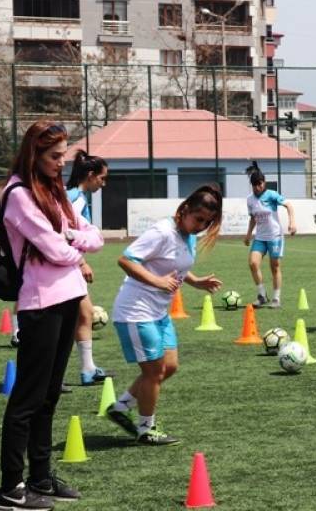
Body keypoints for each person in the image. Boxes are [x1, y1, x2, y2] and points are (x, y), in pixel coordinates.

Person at [0, 120, 104, 511]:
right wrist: (73, 247)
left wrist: (72, 239)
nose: (62, 163)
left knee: (50, 395)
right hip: (39, 302)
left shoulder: (54, 189)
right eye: (54, 156)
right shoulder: (18, 194)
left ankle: (40, 476)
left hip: (69, 296)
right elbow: (55, 251)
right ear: (34, 154)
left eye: (64, 155)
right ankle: (10, 488)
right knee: (27, 398)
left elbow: (92, 235)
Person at [105, 185, 224, 446]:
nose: (201, 226)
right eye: (199, 219)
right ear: (183, 210)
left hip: (159, 313)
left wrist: (196, 281)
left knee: (169, 367)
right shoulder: (162, 231)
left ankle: (120, 407)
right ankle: (146, 428)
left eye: (207, 222)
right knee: (154, 372)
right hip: (136, 311)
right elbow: (126, 260)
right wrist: (157, 282)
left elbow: (176, 266)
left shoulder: (187, 234)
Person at [65, 150, 110, 386]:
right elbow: (64, 233)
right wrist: (81, 262)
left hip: (69, 265)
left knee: (84, 315)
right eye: (102, 178)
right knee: (71, 320)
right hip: (65, 266)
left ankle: (88, 369)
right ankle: (53, 376)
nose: (103, 184)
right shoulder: (75, 198)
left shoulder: (76, 196)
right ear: (91, 175)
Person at [244, 170, 296, 308]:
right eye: (254, 185)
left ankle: (276, 298)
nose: (257, 187)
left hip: (275, 236)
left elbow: (289, 205)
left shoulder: (271, 195)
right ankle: (262, 296)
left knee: (274, 267)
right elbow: (253, 218)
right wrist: (249, 234)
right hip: (260, 237)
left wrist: (292, 222)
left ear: (264, 182)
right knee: (253, 263)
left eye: (259, 184)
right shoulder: (250, 200)